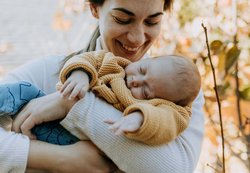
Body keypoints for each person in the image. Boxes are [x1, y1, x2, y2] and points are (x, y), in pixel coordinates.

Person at [0, 0, 205, 173]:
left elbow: (175, 169)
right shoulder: (48, 72)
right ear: (94, 8)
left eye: (152, 21)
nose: (137, 38)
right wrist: (64, 159)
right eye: (122, 19)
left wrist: (72, 106)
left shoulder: (178, 91)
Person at [58, 50, 201, 145]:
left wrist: (141, 118)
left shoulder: (165, 108)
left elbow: (167, 121)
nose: (135, 80)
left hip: (77, 139)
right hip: (62, 111)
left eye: (145, 91)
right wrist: (80, 74)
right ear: (148, 59)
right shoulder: (113, 63)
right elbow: (88, 58)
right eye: (142, 69)